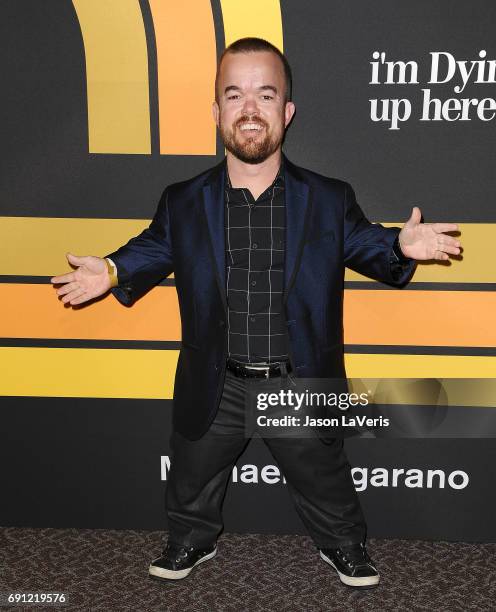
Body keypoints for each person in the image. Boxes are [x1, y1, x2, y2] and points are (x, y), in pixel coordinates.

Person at [50, 37, 461, 589]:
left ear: (286, 112)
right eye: (235, 95)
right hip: (215, 379)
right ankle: (190, 542)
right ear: (217, 110)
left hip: (296, 379)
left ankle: (344, 546)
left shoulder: (329, 198)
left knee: (325, 479)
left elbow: (370, 248)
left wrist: (400, 248)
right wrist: (112, 269)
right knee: (192, 475)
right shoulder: (183, 200)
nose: (249, 109)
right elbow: (152, 248)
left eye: (265, 95)